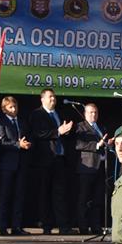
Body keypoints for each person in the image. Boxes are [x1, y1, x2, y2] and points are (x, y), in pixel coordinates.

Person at [29, 89, 74, 234]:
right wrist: (58, 132)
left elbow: (60, 134)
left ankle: (63, 226)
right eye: (50, 97)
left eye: (54, 97)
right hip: (44, 160)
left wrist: (65, 132)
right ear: (42, 99)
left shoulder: (58, 114)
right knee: (44, 194)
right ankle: (46, 225)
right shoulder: (37, 114)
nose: (53, 99)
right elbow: (38, 133)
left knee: (60, 194)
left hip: (59, 159)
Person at [0, 96, 31, 236]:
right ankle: (3, 227)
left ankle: (16, 226)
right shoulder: (1, 122)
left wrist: (26, 144)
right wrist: (17, 145)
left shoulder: (21, 122)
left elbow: (26, 136)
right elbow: (2, 142)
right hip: (7, 165)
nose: (14, 109)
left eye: (15, 107)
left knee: (19, 195)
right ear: (4, 109)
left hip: (21, 163)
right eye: (10, 107)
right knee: (5, 195)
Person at [74, 103, 109, 234]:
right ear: (85, 114)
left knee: (98, 198)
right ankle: (83, 227)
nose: (93, 115)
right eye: (90, 112)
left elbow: (103, 144)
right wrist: (97, 145)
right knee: (84, 198)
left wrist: (107, 144)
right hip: (87, 167)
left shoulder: (101, 127)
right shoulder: (80, 127)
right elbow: (78, 144)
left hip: (100, 166)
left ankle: (96, 226)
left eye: (95, 112)